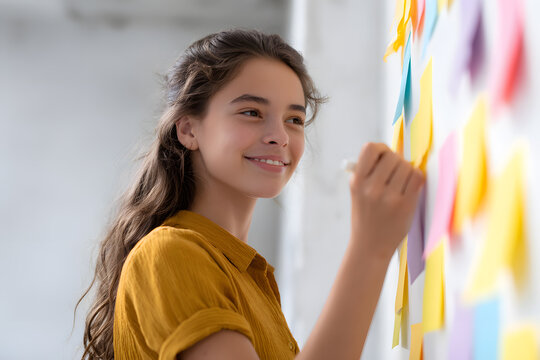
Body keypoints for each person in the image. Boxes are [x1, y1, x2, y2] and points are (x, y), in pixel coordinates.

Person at [76, 28, 425, 360]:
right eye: (252, 113)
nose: (280, 136)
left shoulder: (245, 273)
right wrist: (370, 248)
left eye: (294, 119)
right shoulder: (170, 253)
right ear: (188, 129)